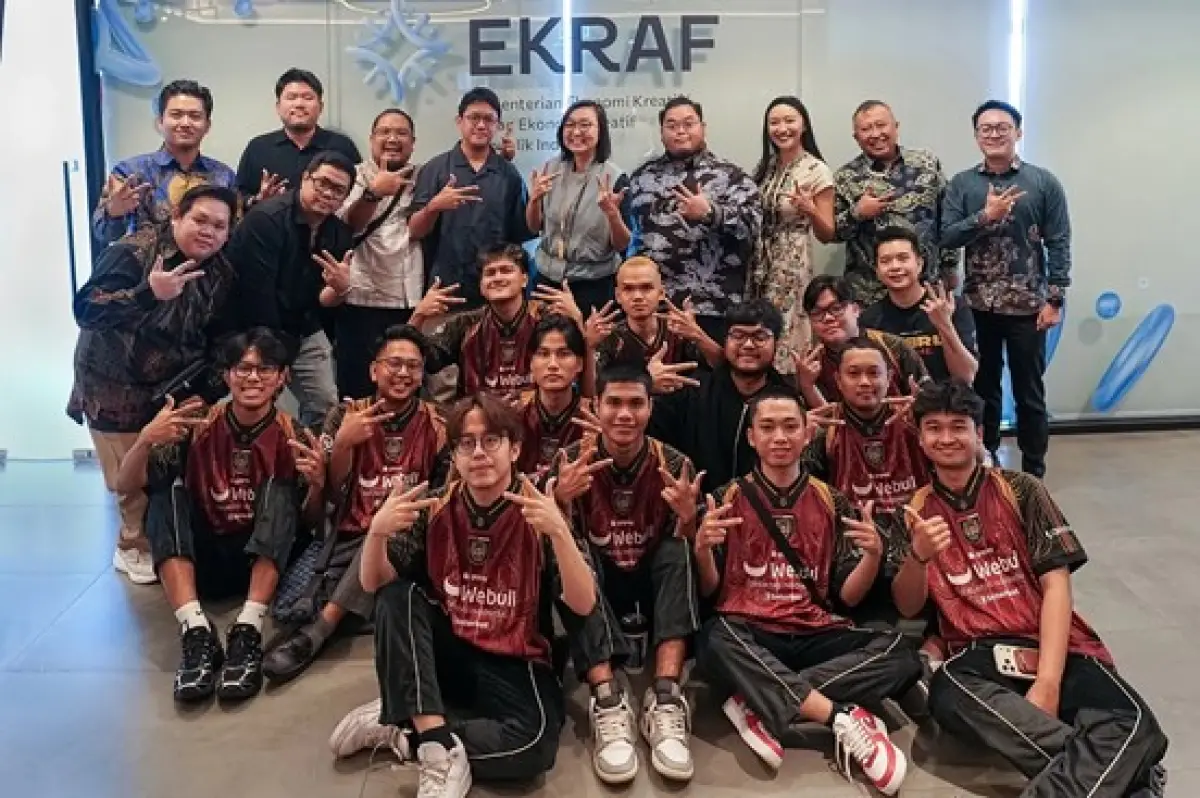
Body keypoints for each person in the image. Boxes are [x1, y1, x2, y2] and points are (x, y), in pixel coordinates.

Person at [894, 380, 1167, 798]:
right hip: (981, 654)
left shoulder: (1021, 489)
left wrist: (1048, 682)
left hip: (1051, 642)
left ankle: (1115, 774)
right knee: (949, 691)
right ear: (920, 437)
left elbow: (1057, 586)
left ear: (978, 433)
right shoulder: (915, 510)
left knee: (1134, 723)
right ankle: (1129, 776)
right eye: (934, 427)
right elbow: (908, 606)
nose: (946, 438)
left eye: (958, 426)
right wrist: (918, 556)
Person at [328, 394, 598, 798]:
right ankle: (437, 749)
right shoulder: (434, 506)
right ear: (454, 455)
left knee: (533, 748)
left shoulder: (537, 507)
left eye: (491, 440)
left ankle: (407, 728)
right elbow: (372, 584)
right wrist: (377, 532)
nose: (479, 453)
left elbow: (584, 604)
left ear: (515, 449)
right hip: (451, 651)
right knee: (396, 596)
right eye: (466, 443)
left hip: (515, 656)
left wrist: (559, 532)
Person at [696, 391, 921, 795]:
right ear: (751, 437)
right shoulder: (726, 497)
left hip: (815, 630)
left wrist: (873, 556)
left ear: (806, 434)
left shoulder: (832, 500)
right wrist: (701, 550)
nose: (779, 437)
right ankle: (838, 714)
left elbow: (848, 598)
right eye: (767, 427)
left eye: (790, 427)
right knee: (714, 638)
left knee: (901, 654)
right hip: (751, 632)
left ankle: (759, 699)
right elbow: (711, 591)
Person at [113, 329, 326, 702]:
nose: (253, 377)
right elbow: (124, 485)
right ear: (227, 375)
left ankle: (248, 629)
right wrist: (146, 438)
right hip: (205, 558)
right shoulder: (196, 424)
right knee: (166, 494)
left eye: (265, 368)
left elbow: (309, 524)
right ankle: (195, 630)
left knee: (279, 491)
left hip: (260, 561)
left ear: (283, 377)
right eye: (243, 368)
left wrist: (319, 485)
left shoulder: (294, 435)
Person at [68, 184, 240, 586]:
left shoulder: (222, 271)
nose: (208, 231)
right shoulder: (133, 252)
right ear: (177, 216)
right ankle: (131, 544)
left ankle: (162, 538)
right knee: (127, 478)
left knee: (166, 469)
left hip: (175, 381)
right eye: (200, 220)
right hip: (113, 383)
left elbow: (221, 335)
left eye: (219, 226)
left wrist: (209, 387)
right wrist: (148, 294)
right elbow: (86, 309)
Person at [263, 325, 450, 684]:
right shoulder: (344, 414)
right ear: (374, 371)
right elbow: (333, 498)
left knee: (388, 525)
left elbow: (441, 498)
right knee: (290, 606)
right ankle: (356, 608)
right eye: (394, 363)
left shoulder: (439, 421)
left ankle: (318, 632)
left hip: (407, 538)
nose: (403, 373)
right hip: (346, 536)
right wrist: (343, 445)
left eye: (413, 366)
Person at [548, 361, 702, 786]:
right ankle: (607, 697)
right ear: (595, 407)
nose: (624, 414)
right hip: (597, 582)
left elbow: (695, 547)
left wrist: (689, 520)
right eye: (613, 402)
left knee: (679, 549)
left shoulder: (675, 463)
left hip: (650, 585)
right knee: (570, 552)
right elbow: (548, 540)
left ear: (651, 408)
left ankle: (666, 695)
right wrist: (560, 502)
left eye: (636, 403)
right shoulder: (570, 461)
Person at [942, 101, 1071, 479]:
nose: (994, 134)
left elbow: (1059, 242)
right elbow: (946, 236)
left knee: (1029, 393)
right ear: (976, 136)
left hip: (1028, 306)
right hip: (977, 306)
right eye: (986, 128)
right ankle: (987, 467)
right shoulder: (962, 185)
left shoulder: (1042, 183)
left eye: (1003, 127)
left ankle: (1033, 475)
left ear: (1018, 132)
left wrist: (1055, 299)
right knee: (983, 390)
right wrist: (985, 216)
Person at [800, 336, 931, 623]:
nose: (864, 382)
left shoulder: (914, 421)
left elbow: (972, 461)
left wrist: (929, 417)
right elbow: (798, 496)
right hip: (851, 552)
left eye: (874, 373)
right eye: (854, 373)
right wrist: (798, 442)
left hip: (916, 544)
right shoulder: (824, 428)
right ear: (838, 380)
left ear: (890, 377)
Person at [226, 151, 356, 429]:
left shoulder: (339, 233)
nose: (328, 193)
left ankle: (313, 454)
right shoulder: (266, 219)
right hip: (252, 328)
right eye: (322, 183)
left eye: (338, 190)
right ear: (305, 178)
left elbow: (322, 300)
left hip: (302, 327)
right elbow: (257, 298)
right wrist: (277, 359)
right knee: (256, 408)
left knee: (326, 405)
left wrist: (341, 289)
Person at [625, 96, 762, 341]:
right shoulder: (642, 177)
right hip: (655, 309)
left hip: (712, 305)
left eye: (688, 124)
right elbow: (632, 240)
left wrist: (710, 213)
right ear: (661, 132)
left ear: (703, 127)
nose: (680, 131)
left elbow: (753, 226)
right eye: (672, 125)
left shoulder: (731, 177)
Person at [648, 299, 795, 495]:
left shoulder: (789, 401)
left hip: (764, 507)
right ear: (725, 341)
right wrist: (646, 387)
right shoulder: (692, 391)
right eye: (738, 335)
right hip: (696, 505)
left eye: (760, 337)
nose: (748, 345)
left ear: (777, 343)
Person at [325, 108, 423, 399]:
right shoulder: (353, 175)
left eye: (401, 133)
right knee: (358, 386)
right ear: (371, 139)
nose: (392, 139)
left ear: (413, 142)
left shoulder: (425, 176)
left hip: (408, 298)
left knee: (406, 386)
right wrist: (374, 192)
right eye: (385, 132)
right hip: (361, 298)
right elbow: (348, 226)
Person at [410, 244, 593, 399]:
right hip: (479, 423)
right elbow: (420, 361)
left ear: (524, 279)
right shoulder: (465, 324)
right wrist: (418, 316)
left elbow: (585, 382)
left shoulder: (549, 318)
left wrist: (578, 321)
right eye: (490, 273)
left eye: (506, 270)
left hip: (537, 422)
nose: (498, 278)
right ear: (481, 286)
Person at [409, 87, 534, 309]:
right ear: (459, 121)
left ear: (497, 125)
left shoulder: (509, 174)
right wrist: (433, 207)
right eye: (474, 117)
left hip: (496, 291)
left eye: (489, 119)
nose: (481, 125)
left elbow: (520, 235)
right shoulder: (435, 169)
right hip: (446, 290)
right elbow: (415, 231)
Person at [832, 100, 959, 305]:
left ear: (896, 127)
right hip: (868, 292)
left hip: (926, 287)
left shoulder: (926, 164)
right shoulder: (845, 177)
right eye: (866, 129)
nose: (875, 134)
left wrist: (950, 266)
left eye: (881, 125)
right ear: (856, 137)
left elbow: (948, 217)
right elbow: (834, 234)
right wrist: (858, 213)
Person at [749, 96, 835, 373]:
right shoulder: (764, 168)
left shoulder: (817, 170)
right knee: (758, 327)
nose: (782, 128)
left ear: (804, 125)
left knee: (786, 328)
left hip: (792, 263)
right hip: (759, 262)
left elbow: (827, 233)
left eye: (789, 121)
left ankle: (789, 387)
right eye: (774, 122)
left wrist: (811, 210)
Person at [93, 80, 237, 245]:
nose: (185, 123)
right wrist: (114, 212)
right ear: (160, 122)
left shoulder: (224, 176)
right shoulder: (130, 172)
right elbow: (102, 233)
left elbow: (235, 234)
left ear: (207, 126)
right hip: (147, 261)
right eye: (176, 115)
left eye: (195, 116)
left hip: (209, 262)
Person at [527, 99, 632, 315]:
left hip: (594, 285)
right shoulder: (550, 169)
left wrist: (612, 215)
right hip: (546, 279)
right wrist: (534, 200)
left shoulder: (614, 178)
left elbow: (622, 245)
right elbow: (533, 227)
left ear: (601, 131)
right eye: (570, 125)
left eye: (585, 125)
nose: (576, 132)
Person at [860, 226, 978, 383]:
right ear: (877, 270)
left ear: (919, 264)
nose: (895, 267)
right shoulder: (870, 320)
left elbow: (966, 376)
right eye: (885, 261)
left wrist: (944, 325)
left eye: (903, 258)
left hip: (946, 397)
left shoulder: (951, 306)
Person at [797, 275, 928, 408]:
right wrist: (807, 386)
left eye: (836, 309)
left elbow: (928, 397)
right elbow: (817, 418)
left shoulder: (892, 347)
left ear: (856, 309)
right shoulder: (810, 365)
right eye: (817, 313)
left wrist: (917, 406)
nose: (828, 318)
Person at [236, 68, 361, 205]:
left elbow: (356, 195)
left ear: (321, 107)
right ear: (278, 107)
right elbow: (239, 196)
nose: (299, 104)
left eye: (308, 98)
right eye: (291, 97)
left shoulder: (342, 146)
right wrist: (258, 200)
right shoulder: (258, 147)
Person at [595, 256, 721, 372]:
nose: (637, 296)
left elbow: (724, 369)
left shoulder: (679, 331)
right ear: (618, 296)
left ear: (661, 293)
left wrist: (697, 335)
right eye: (628, 289)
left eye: (646, 287)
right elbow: (594, 387)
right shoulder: (608, 337)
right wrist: (590, 345)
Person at [514, 315, 593, 477]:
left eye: (563, 354)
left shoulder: (593, 418)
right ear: (531, 362)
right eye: (543, 354)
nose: (552, 365)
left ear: (579, 364)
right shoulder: (512, 415)